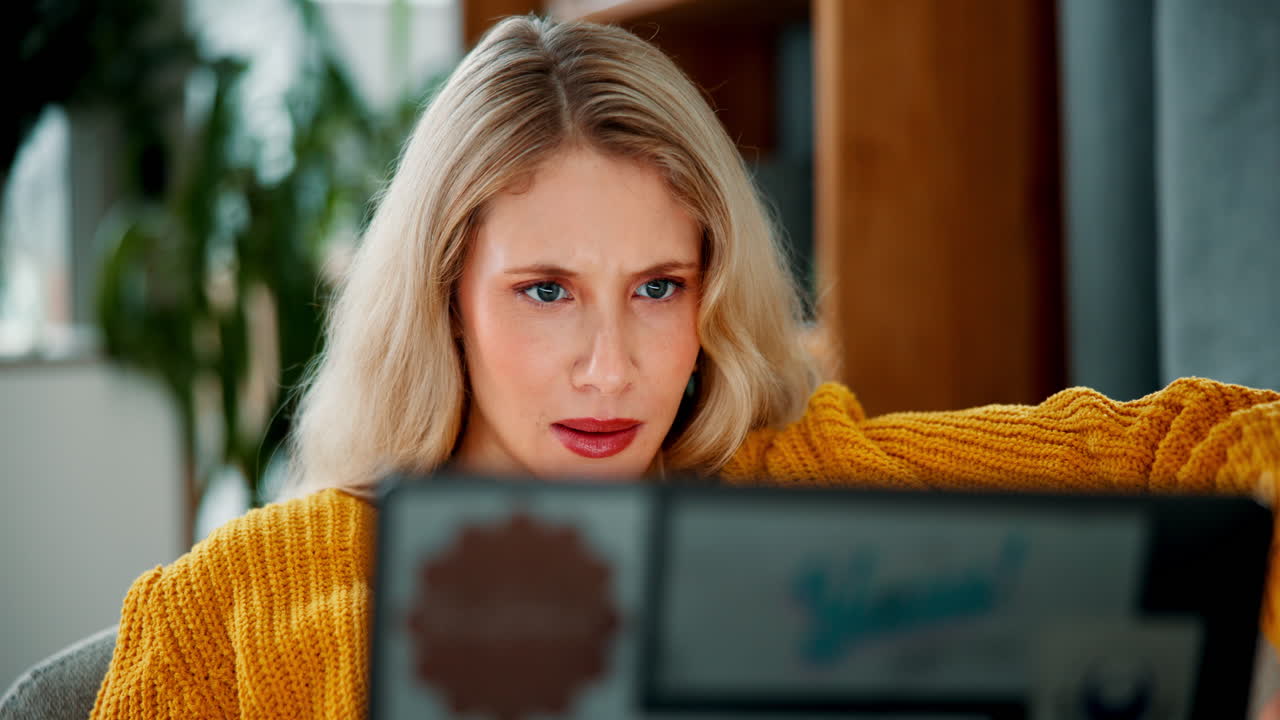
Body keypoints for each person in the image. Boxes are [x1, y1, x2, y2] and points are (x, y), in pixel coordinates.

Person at [90, 14, 1280, 718]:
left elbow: (1219, 437)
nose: (610, 368)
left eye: (656, 289)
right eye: (545, 292)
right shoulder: (229, 611)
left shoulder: (810, 482)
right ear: (443, 299)